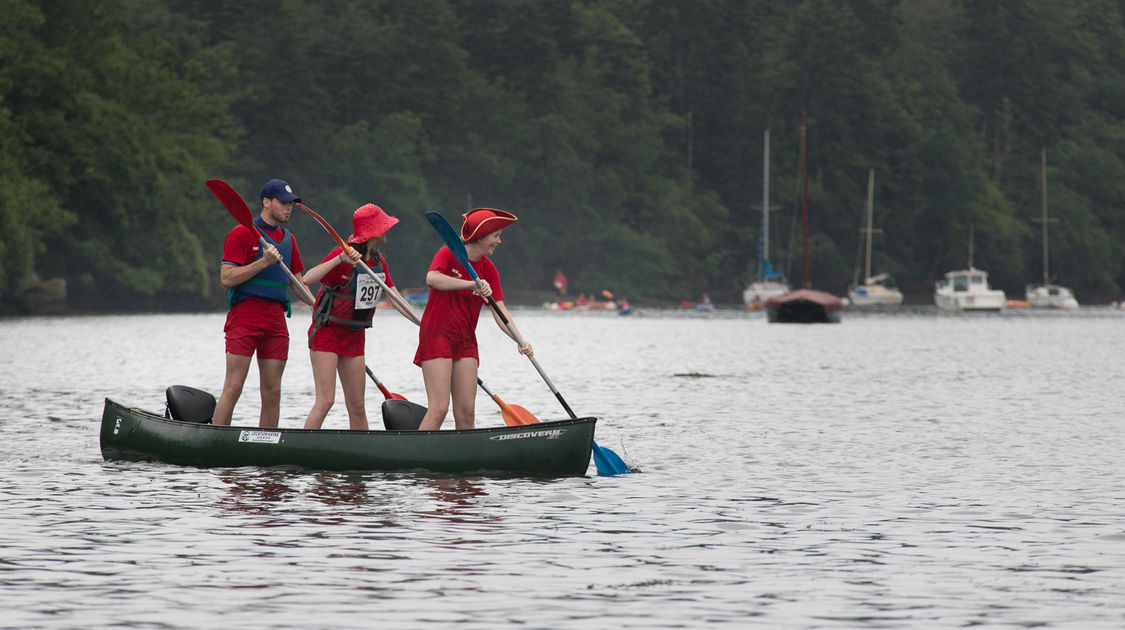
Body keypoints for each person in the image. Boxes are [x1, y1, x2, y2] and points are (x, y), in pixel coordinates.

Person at [301, 204, 419, 430]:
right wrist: (340, 260)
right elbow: (307, 279)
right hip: (327, 334)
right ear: (373, 231)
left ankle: (362, 456)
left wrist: (421, 324)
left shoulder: (377, 260)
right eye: (383, 226)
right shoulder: (342, 254)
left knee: (357, 406)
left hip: (354, 336)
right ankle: (301, 449)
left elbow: (394, 297)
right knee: (325, 401)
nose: (387, 230)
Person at [413, 208, 533, 430]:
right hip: (437, 335)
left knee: (466, 412)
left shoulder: (488, 268)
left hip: (466, 340)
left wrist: (520, 340)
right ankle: (414, 459)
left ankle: (465, 461)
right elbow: (432, 278)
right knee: (439, 409)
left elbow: (500, 311)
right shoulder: (448, 253)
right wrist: (471, 284)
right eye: (495, 236)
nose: (499, 241)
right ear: (480, 237)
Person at [213, 178, 314, 427]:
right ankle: (216, 438)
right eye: (283, 202)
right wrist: (263, 261)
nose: (289, 208)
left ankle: (266, 445)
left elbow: (298, 284)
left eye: (291, 203)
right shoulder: (242, 233)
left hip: (276, 320)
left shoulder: (289, 240)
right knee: (234, 386)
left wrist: (319, 305)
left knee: (272, 391)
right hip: (246, 316)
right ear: (266, 202)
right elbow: (226, 278)